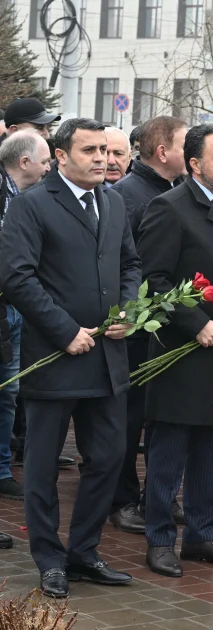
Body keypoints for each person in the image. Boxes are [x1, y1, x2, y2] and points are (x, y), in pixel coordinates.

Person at [0, 118, 140, 597]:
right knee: (41, 466)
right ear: (60, 157)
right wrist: (64, 331)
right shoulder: (33, 206)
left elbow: (130, 264)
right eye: (90, 151)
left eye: (105, 149)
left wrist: (129, 310)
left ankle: (83, 552)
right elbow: (17, 277)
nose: (104, 158)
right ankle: (49, 559)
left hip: (107, 356)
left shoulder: (114, 202)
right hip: (57, 356)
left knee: (108, 457)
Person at [138, 124, 213, 578]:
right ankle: (161, 539)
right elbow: (154, 279)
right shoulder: (169, 209)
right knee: (169, 451)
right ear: (193, 164)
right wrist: (195, 322)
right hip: (182, 354)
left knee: (211, 450)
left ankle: (203, 535)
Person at [107, 115, 189, 535]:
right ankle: (121, 498)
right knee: (128, 417)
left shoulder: (169, 191)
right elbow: (126, 263)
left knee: (158, 416)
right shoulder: (128, 195)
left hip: (160, 325)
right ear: (163, 152)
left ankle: (156, 495)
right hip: (135, 329)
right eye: (185, 144)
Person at [0, 131, 52, 504]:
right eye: (46, 160)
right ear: (24, 162)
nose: (50, 166)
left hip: (18, 308)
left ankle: (2, 470)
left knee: (10, 391)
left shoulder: (34, 200)